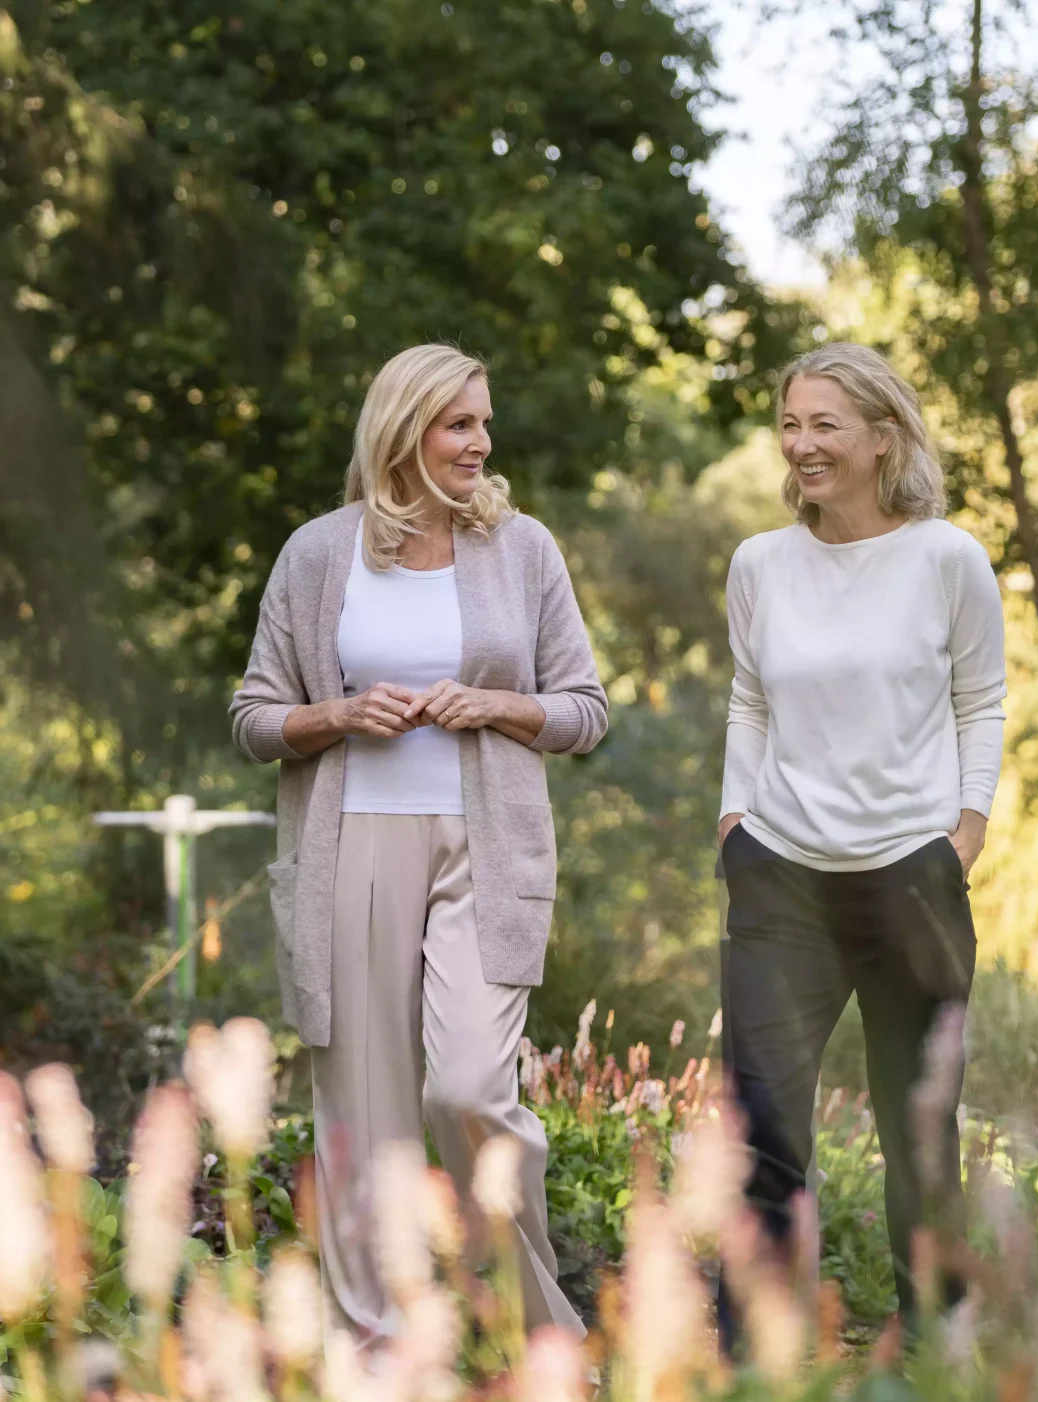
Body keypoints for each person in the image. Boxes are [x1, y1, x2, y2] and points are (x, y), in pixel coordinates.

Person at [229, 343, 605, 1342]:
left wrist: (496, 705)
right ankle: (373, 1341)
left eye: (484, 422)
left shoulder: (521, 550)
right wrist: (338, 715)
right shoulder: (317, 555)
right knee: (363, 1109)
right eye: (459, 424)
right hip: (348, 847)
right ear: (403, 432)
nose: (481, 442)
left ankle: (536, 1332)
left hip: (485, 849)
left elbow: (586, 709)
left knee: (471, 1086)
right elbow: (254, 716)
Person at [716, 342, 1007, 1320]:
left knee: (919, 1137)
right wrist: (733, 820)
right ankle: (746, 1366)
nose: (801, 444)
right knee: (760, 1133)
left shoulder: (946, 558)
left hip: (909, 880)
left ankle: (939, 1359)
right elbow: (748, 699)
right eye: (790, 424)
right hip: (779, 879)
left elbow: (983, 701)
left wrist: (961, 833)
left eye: (823, 425)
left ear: (884, 438)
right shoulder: (759, 563)